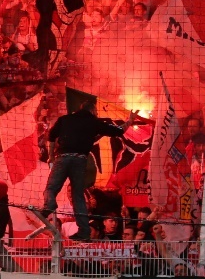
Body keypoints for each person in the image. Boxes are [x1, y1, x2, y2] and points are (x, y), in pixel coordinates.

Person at [41, 98, 137, 241]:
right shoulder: (94, 122)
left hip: (62, 157)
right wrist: (130, 120)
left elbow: (51, 136)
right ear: (92, 110)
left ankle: (49, 204)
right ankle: (84, 231)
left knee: (51, 187)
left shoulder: (65, 119)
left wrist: (50, 156)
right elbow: (118, 131)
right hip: (80, 161)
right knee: (78, 196)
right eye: (96, 111)